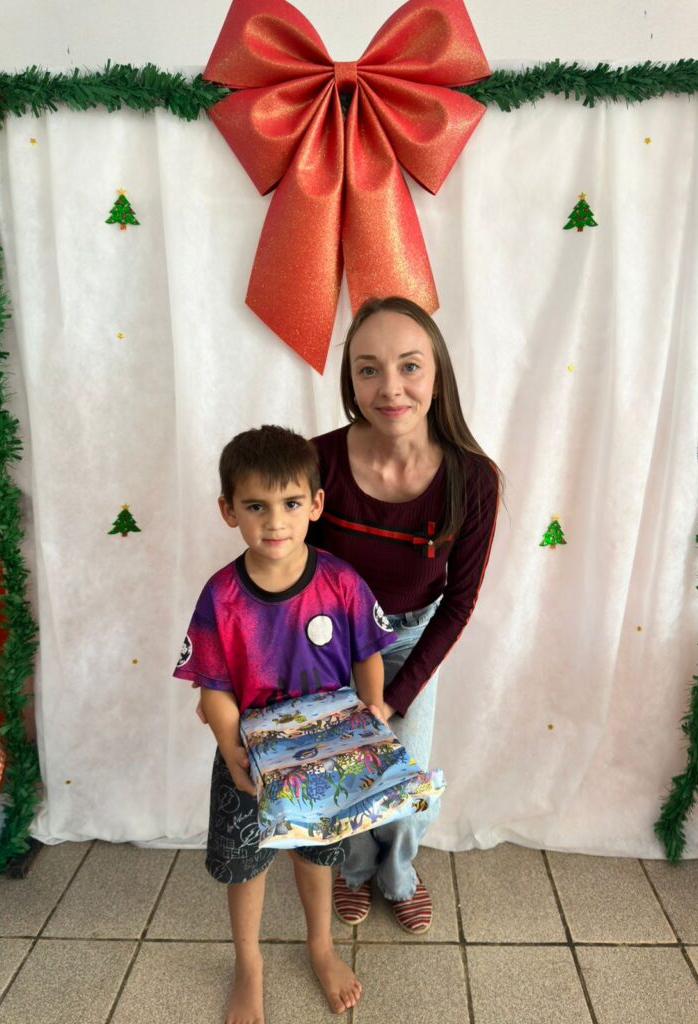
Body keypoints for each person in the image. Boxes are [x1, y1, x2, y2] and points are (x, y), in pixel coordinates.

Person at [174, 425, 396, 1024]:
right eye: (256, 506)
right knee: (246, 864)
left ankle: (320, 946)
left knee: (317, 855)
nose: (275, 522)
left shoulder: (340, 581)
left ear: (316, 504)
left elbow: (367, 654)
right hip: (249, 757)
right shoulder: (221, 596)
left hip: (327, 755)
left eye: (291, 503)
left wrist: (373, 708)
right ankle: (248, 963)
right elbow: (214, 686)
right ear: (228, 510)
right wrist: (230, 746)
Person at [307, 296, 499, 935]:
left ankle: (399, 874)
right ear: (350, 381)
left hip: (411, 638)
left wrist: (394, 697)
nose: (390, 387)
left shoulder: (473, 479)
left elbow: (460, 602)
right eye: (368, 369)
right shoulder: (318, 461)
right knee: (348, 768)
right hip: (332, 639)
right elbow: (290, 570)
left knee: (402, 777)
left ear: (437, 375)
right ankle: (356, 869)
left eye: (409, 366)